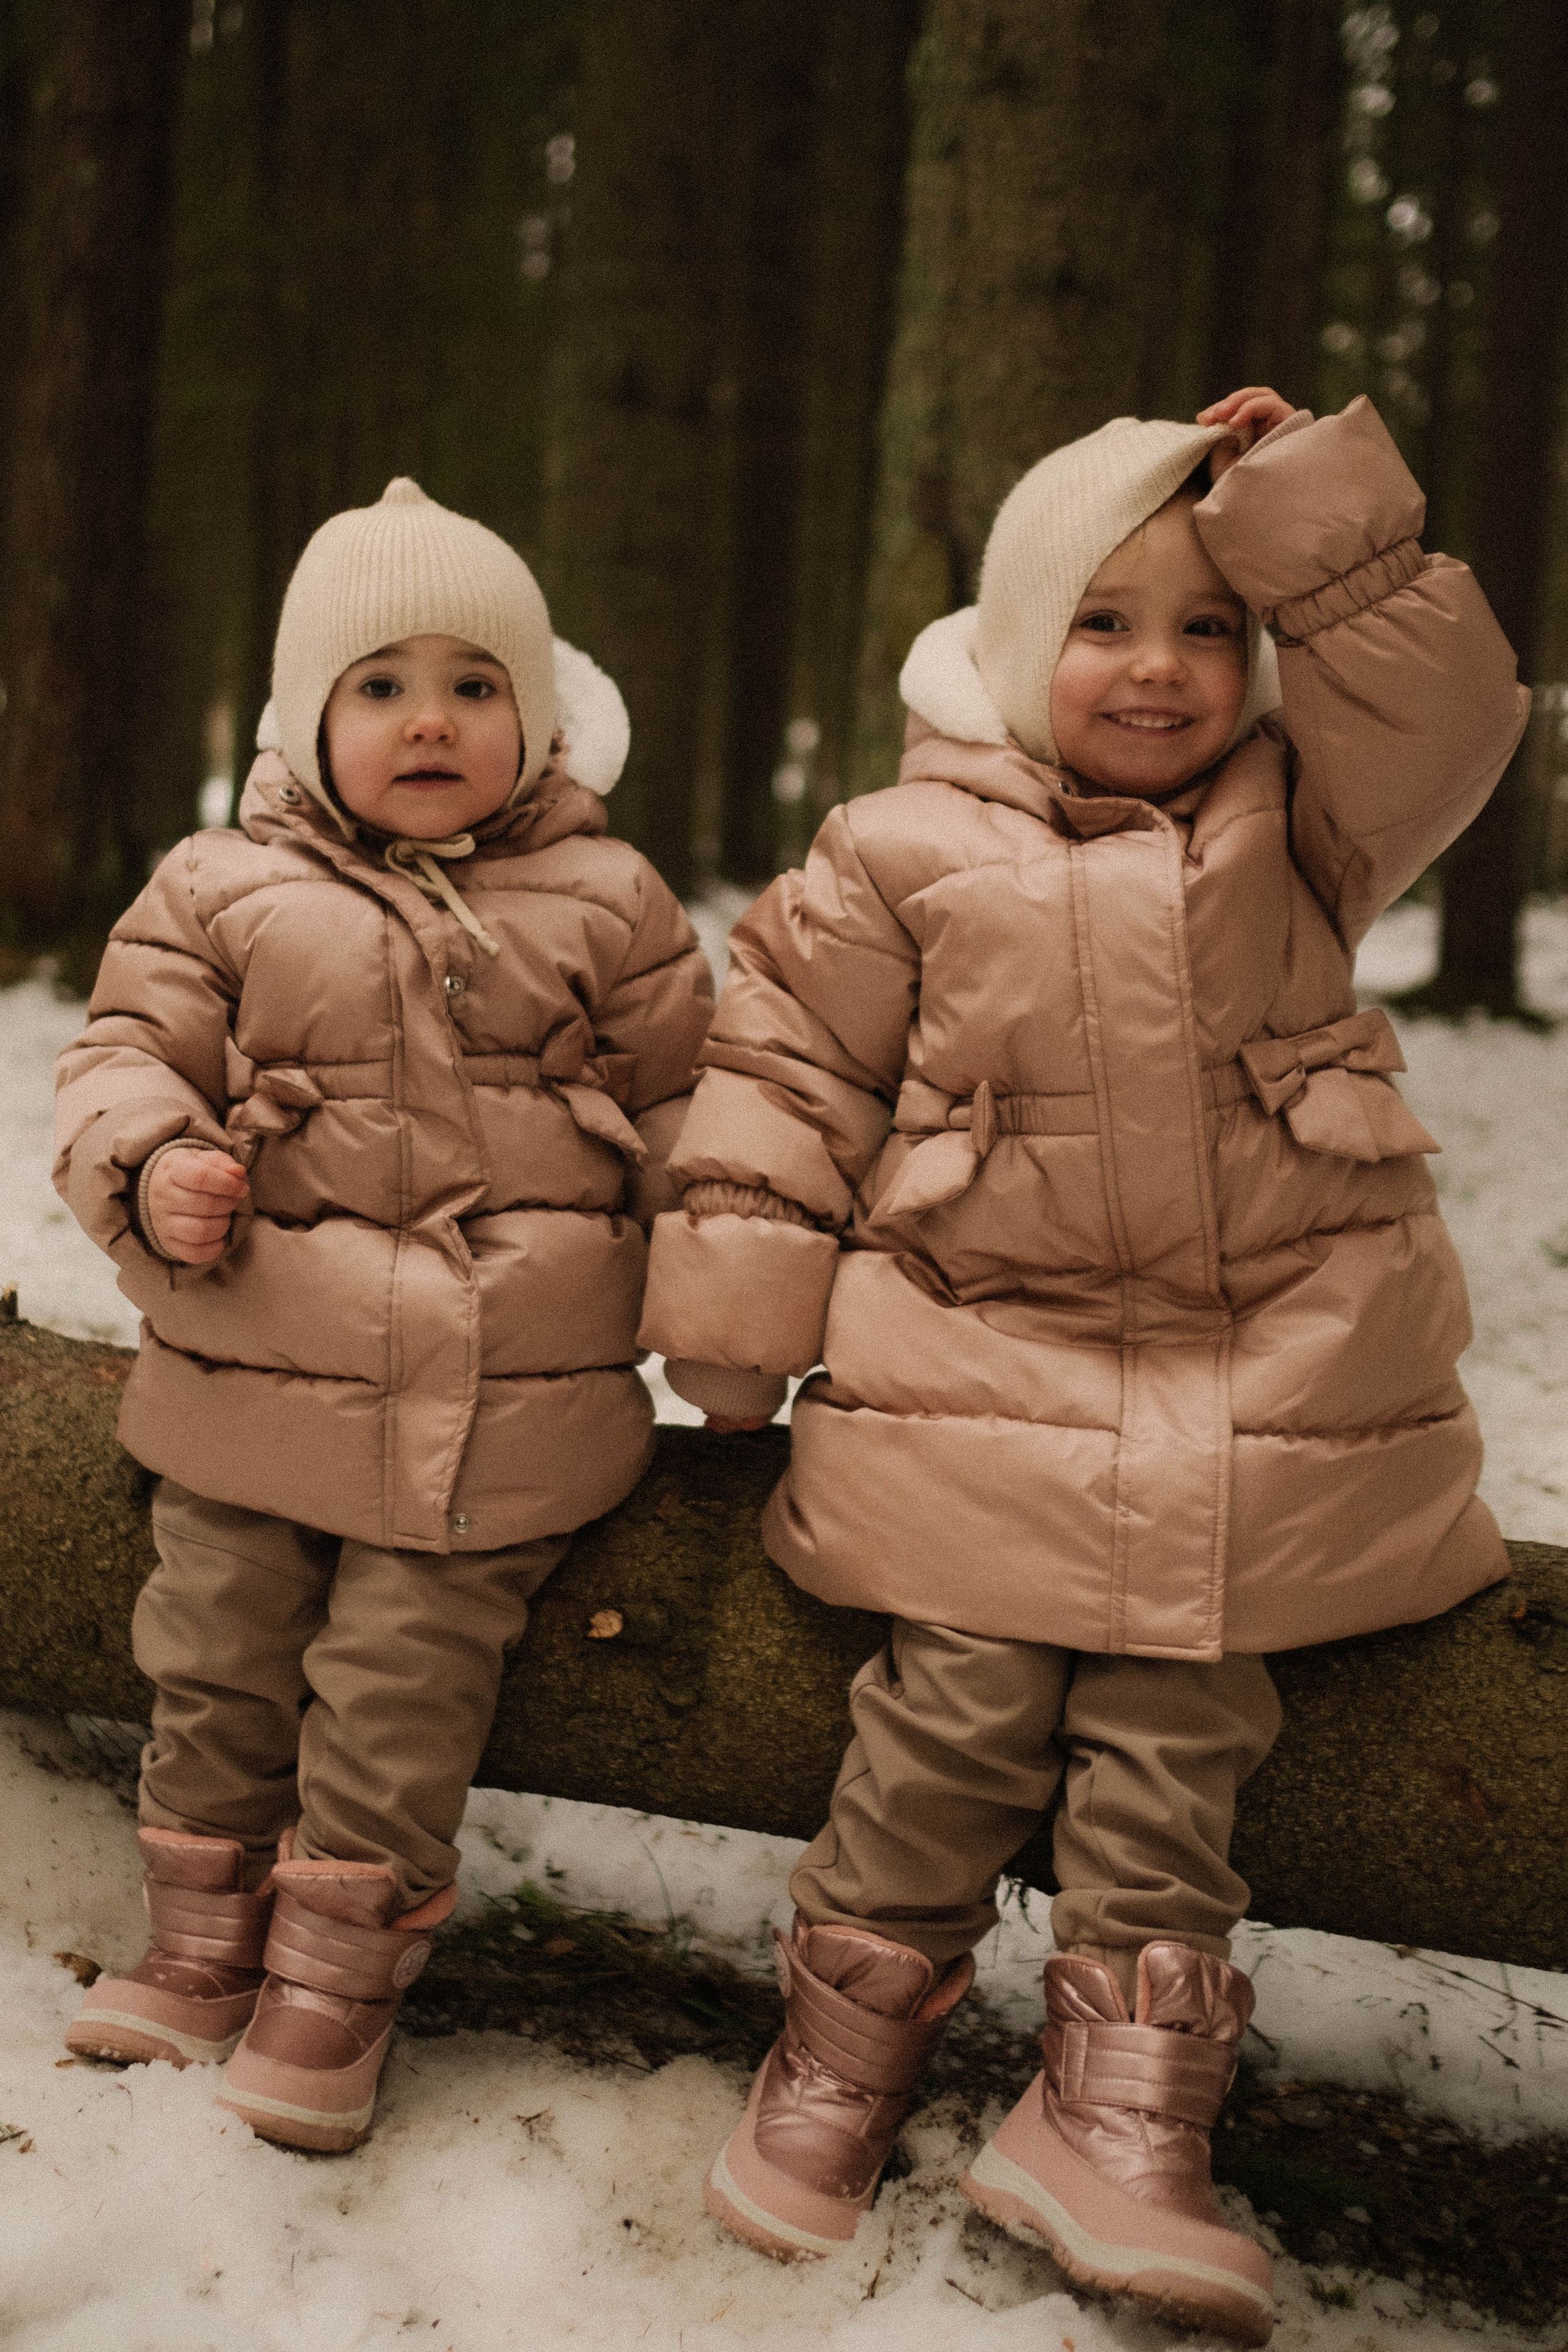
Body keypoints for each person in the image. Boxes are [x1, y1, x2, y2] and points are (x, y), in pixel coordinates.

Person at [637, 388, 1526, 2341]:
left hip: (1257, 1386)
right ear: (1020, 637)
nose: (1160, 667)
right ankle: (840, 2057)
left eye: (1211, 626)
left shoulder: (1307, 821)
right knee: (947, 1720)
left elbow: (1458, 710)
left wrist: (1313, 518)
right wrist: (735, 1324)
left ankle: (1121, 2116)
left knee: (1182, 1731)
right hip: (981, 1367)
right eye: (1106, 622)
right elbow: (784, 1074)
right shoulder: (896, 847)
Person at [53, 480, 712, 2152]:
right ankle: (201, 1941)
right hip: (256, 1371)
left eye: (476, 684)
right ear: (306, 717)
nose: (432, 718)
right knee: (213, 1656)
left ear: (537, 717)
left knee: (400, 1687)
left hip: (503, 1403)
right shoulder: (218, 887)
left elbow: (698, 1114)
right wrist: (155, 1161)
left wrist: (726, 1303)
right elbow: (121, 1054)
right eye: (383, 684)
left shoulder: (610, 899)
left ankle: (336, 1979)